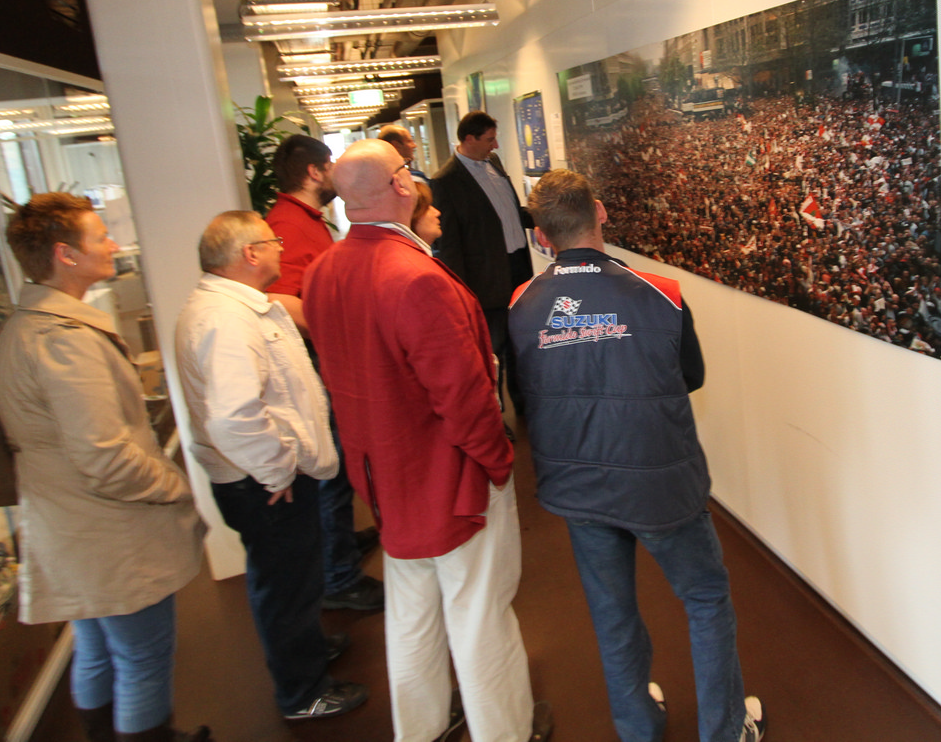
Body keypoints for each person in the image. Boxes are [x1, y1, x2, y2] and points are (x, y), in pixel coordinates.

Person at [302, 138, 549, 742]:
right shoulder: (414, 276)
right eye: (405, 171)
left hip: (383, 476)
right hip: (448, 476)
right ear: (399, 185)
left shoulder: (323, 271)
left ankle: (423, 728)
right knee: (479, 612)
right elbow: (462, 396)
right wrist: (497, 461)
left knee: (412, 612)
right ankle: (506, 732)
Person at [508, 170, 765, 742]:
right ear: (600, 212)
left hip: (578, 485)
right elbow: (691, 376)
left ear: (542, 236)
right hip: (660, 482)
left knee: (612, 610)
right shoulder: (661, 293)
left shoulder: (522, 303)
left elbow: (529, 390)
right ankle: (725, 731)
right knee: (705, 598)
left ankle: (638, 727)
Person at [0, 194, 208, 742]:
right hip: (106, 531)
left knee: (97, 647)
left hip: (71, 526)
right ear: (65, 254)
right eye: (100, 236)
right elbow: (105, 458)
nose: (112, 244)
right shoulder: (66, 341)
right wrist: (173, 484)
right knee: (141, 656)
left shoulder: (27, 327)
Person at [173, 211, 369, 721]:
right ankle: (303, 692)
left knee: (294, 577)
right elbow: (234, 416)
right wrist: (278, 470)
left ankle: (305, 651)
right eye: (273, 240)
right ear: (249, 254)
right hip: (264, 482)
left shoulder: (232, 308)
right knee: (284, 584)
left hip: (260, 476)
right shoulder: (227, 319)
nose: (281, 247)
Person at [264, 134, 384, 613]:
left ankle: (342, 546)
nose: (334, 171)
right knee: (330, 468)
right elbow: (279, 299)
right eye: (330, 164)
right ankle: (338, 577)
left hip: (322, 360)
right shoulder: (288, 225)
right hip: (315, 363)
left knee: (337, 464)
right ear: (314, 172)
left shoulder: (305, 220)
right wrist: (332, 334)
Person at [429, 111, 533, 410]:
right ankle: (494, 414)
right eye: (489, 139)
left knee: (521, 341)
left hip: (519, 267)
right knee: (493, 349)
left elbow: (510, 213)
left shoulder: (494, 163)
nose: (495, 145)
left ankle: (524, 404)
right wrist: (462, 292)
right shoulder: (445, 181)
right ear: (469, 139)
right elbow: (450, 245)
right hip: (486, 281)